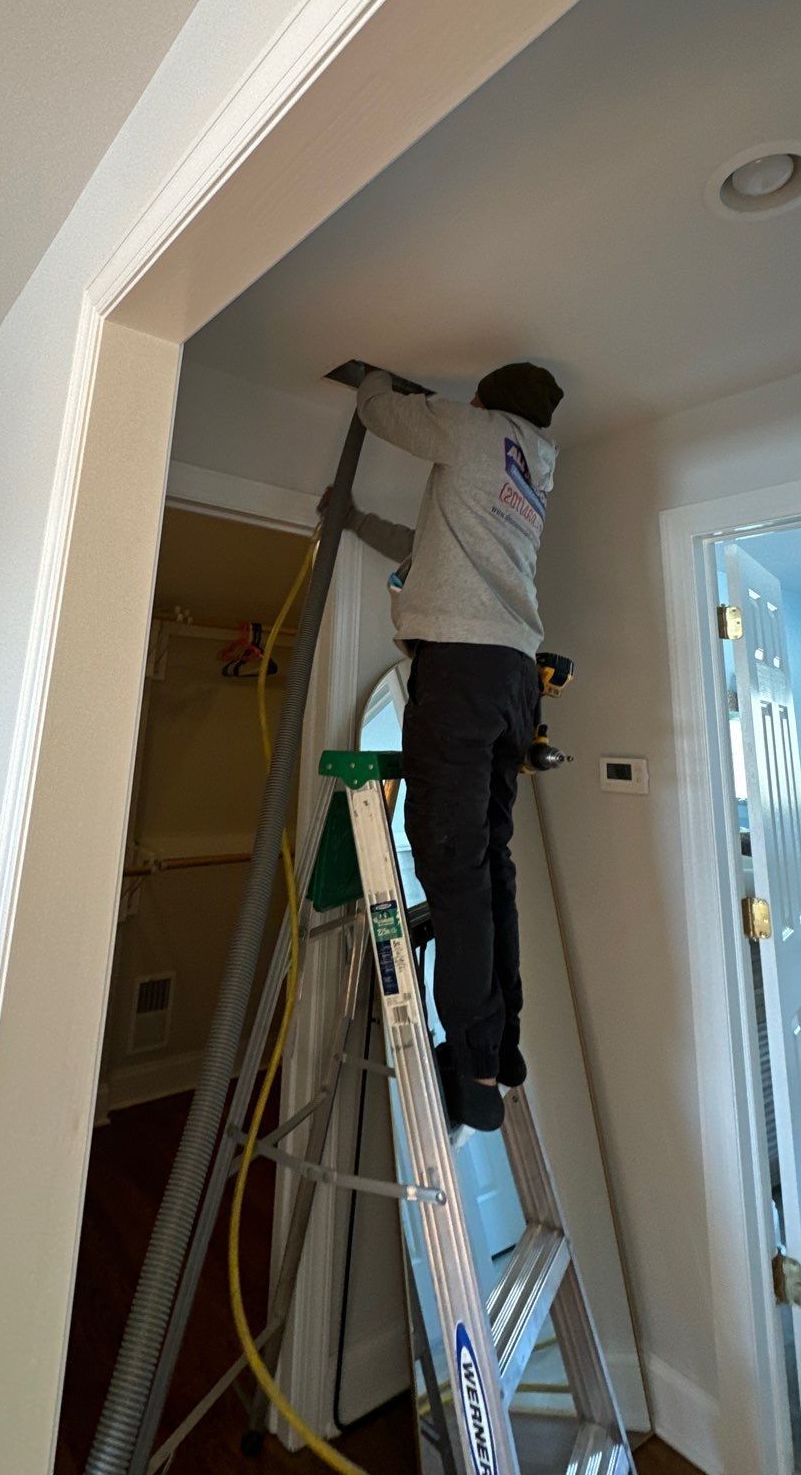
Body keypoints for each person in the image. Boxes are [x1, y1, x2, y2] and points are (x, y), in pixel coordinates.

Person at [338, 361, 562, 1133]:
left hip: (463, 674)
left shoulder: (470, 431)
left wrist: (371, 385)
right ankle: (502, 1046)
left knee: (451, 863)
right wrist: (353, 520)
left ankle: (471, 1069)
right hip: (512, 679)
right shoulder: (526, 472)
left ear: (480, 400)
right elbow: (426, 549)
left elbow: (384, 415)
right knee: (489, 863)